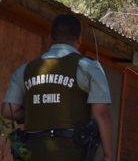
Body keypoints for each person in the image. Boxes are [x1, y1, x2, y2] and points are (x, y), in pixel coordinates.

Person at [1, 14, 114, 161]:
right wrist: (108, 155)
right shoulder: (88, 67)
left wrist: (39, 110)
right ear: (79, 39)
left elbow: (9, 110)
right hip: (72, 154)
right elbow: (102, 113)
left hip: (32, 154)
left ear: (50, 39)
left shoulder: (25, 70)